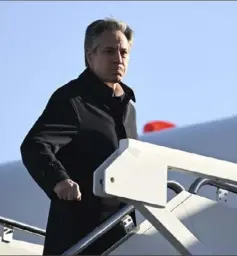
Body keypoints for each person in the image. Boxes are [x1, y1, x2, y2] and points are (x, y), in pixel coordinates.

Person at [20, 18, 138, 255]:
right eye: (109, 51)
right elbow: (34, 145)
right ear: (89, 55)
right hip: (80, 237)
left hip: (121, 236)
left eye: (124, 52)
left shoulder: (129, 107)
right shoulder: (73, 100)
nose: (118, 58)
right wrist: (59, 179)